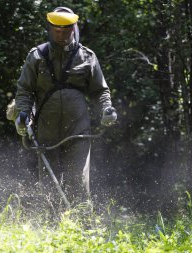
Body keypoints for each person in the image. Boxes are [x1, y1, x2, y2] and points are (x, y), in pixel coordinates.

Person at [14, 6, 117, 206]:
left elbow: (100, 91)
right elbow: (24, 90)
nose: (60, 35)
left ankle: (79, 227)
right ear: (50, 29)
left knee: (78, 182)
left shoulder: (87, 57)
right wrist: (22, 114)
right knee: (49, 183)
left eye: (65, 31)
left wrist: (106, 110)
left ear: (74, 29)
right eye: (56, 31)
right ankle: (51, 226)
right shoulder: (36, 56)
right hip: (46, 127)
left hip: (78, 128)